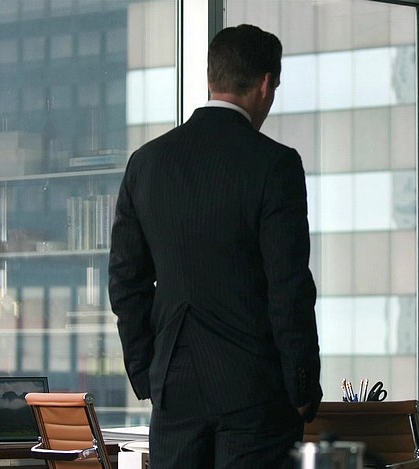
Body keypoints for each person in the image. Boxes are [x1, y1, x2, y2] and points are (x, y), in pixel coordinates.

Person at [109, 24, 322, 469]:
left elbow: (126, 281)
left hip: (174, 391)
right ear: (266, 84)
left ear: (211, 78)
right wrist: (302, 386)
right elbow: (289, 288)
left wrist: (148, 372)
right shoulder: (275, 165)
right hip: (256, 393)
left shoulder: (146, 164)